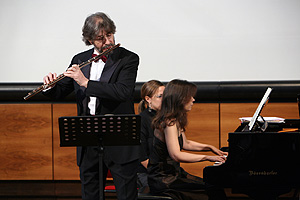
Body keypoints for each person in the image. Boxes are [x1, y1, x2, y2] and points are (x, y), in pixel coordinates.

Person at [43, 12, 140, 200]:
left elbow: (122, 92)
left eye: (110, 34)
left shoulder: (128, 58)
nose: (108, 41)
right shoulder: (79, 59)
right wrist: (50, 86)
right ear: (89, 39)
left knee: (126, 196)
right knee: (90, 195)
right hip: (88, 140)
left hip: (119, 139)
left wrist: (86, 82)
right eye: (100, 38)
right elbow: (61, 91)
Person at [147, 79, 228, 200]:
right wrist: (206, 157)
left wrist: (209, 147)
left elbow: (186, 143)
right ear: (180, 98)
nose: (193, 99)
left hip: (173, 174)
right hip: (164, 179)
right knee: (212, 192)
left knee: (214, 188)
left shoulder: (175, 119)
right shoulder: (169, 122)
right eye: (190, 96)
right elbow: (176, 155)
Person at [137, 80, 165, 189]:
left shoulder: (166, 119)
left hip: (162, 171)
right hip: (146, 173)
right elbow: (142, 157)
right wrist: (162, 174)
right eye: (160, 97)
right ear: (148, 99)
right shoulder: (141, 120)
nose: (164, 100)